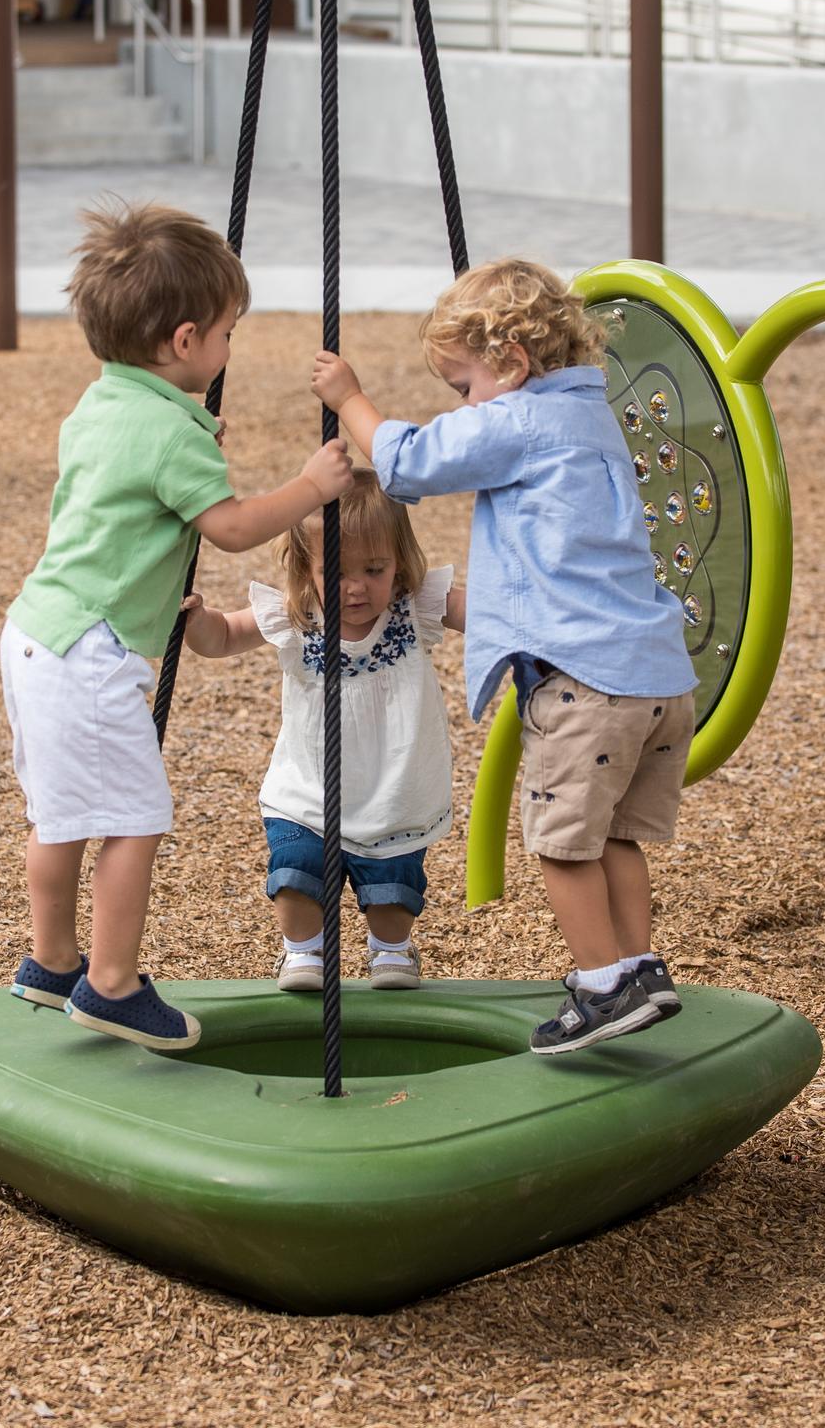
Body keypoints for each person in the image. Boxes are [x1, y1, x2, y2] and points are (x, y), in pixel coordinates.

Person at [311, 257, 697, 1058]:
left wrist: (349, 398)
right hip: (657, 678)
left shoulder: (518, 418)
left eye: (463, 387)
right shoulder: (591, 415)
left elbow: (408, 463)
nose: (466, 404)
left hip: (583, 679)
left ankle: (599, 987)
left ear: (514, 365)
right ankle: (640, 967)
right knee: (617, 836)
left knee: (561, 843)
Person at [3, 201, 352, 1051]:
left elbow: (142, 472)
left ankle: (49, 962)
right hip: (92, 650)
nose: (231, 350)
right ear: (186, 340)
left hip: (35, 633)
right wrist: (312, 486)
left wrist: (189, 431)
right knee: (135, 818)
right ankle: (111, 984)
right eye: (228, 335)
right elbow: (230, 526)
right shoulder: (171, 435)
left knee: (58, 818)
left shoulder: (105, 404)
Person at [183, 469, 464, 990]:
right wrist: (195, 617)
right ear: (304, 571)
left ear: (400, 563)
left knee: (393, 888)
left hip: (394, 788)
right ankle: (302, 952)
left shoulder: (415, 607)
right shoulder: (298, 616)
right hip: (309, 790)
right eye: (334, 572)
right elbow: (221, 637)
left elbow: (486, 615)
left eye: (374, 569)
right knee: (296, 871)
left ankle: (392, 950)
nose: (355, 587)